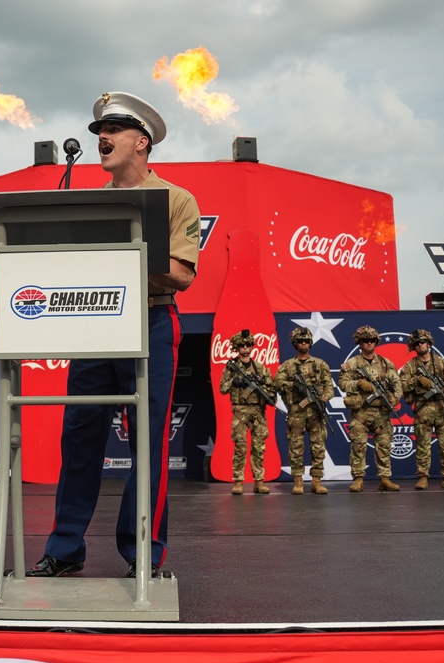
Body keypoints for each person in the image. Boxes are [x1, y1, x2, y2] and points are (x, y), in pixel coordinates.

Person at [21, 92, 201, 578]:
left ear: (141, 142)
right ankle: (64, 548)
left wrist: (123, 258)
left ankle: (143, 552)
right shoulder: (85, 200)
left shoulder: (177, 199)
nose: (103, 137)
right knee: (80, 438)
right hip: (97, 322)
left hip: (152, 320)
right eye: (100, 130)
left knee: (150, 439)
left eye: (115, 130)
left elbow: (183, 276)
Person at [339, 325, 402, 493]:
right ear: (359, 343)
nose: (369, 343)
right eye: (365, 340)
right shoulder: (352, 364)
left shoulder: (386, 363)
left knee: (384, 446)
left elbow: (397, 384)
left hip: (381, 412)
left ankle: (385, 478)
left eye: (372, 340)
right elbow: (342, 384)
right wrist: (358, 383)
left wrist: (393, 399)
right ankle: (358, 479)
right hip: (361, 412)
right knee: (358, 446)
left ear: (376, 342)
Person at [398, 329, 444, 490]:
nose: (420, 345)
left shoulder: (441, 362)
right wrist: (418, 380)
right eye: (417, 343)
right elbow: (402, 385)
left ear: (429, 343)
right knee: (423, 446)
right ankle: (422, 477)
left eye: (423, 342)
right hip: (423, 409)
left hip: (442, 408)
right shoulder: (410, 366)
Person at [274, 326, 335, 495]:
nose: (304, 344)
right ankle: (298, 481)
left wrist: (322, 398)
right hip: (296, 412)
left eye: (306, 341)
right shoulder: (287, 365)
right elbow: (277, 383)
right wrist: (294, 386)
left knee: (318, 447)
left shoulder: (320, 364)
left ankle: (316, 480)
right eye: (300, 341)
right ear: (295, 344)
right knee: (295, 447)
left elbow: (330, 388)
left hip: (316, 412)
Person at [218, 329, 274, 495]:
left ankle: (259, 481)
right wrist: (234, 381)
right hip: (240, 411)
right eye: (241, 345)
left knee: (259, 447)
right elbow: (222, 388)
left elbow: (271, 389)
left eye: (248, 345)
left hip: (258, 411)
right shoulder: (232, 367)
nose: (245, 348)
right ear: (237, 347)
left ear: (252, 347)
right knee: (240, 447)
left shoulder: (260, 368)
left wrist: (264, 392)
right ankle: (238, 481)